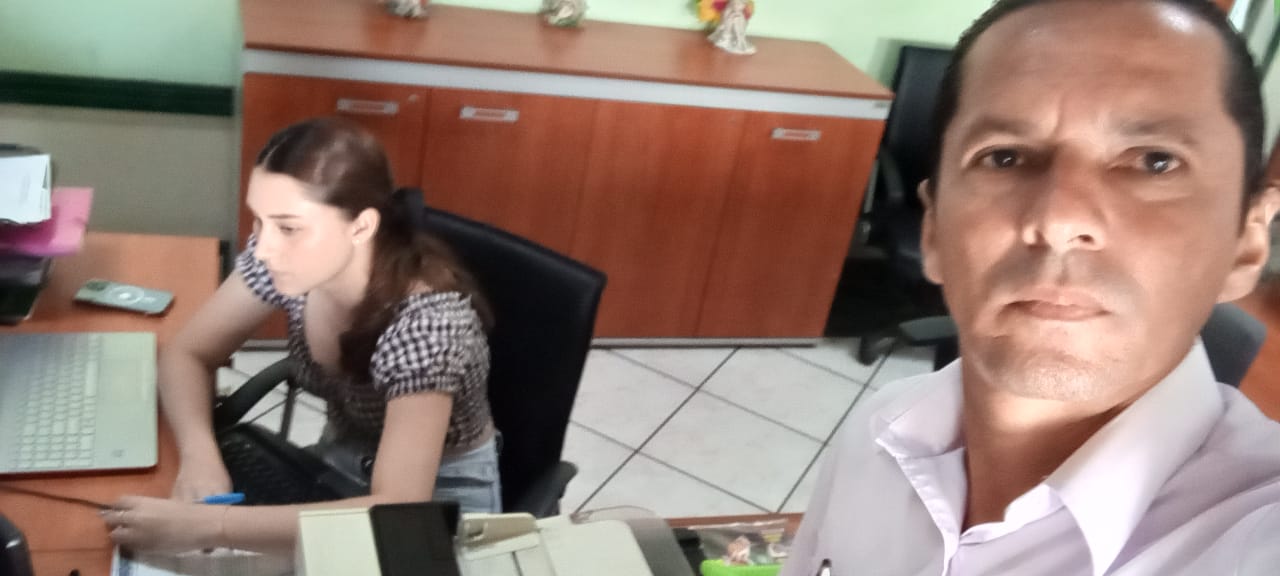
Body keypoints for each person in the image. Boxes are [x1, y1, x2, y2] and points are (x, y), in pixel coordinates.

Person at [783, 0, 1280, 574]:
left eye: (1155, 162)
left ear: (1247, 242)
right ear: (934, 229)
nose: (1059, 219)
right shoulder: (879, 431)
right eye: (1005, 157)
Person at [101, 118, 501, 553]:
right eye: (259, 221)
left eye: (288, 227)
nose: (264, 247)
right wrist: (199, 455)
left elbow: (397, 510)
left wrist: (211, 525)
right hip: (341, 460)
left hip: (437, 498)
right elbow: (187, 353)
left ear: (361, 227)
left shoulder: (427, 324)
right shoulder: (289, 262)